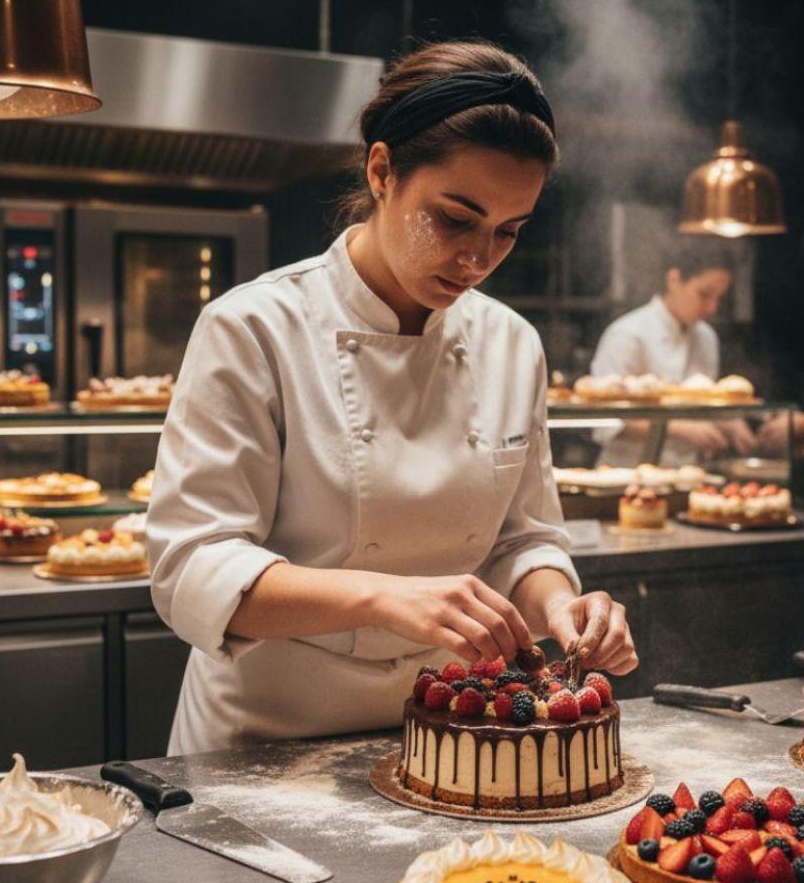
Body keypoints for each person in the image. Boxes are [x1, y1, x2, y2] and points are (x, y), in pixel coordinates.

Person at [148, 41, 636, 754]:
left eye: (507, 232)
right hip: (264, 738)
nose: (477, 259)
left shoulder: (511, 343)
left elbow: (523, 539)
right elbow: (191, 567)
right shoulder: (254, 327)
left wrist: (563, 605)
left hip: (446, 733)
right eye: (455, 218)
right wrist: (383, 596)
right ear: (382, 172)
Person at [588, 239, 756, 465]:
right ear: (674, 280)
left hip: (689, 473)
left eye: (719, 298)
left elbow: (703, 404)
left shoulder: (707, 338)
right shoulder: (627, 333)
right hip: (625, 472)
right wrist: (678, 429)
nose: (712, 308)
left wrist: (728, 421)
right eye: (704, 294)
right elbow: (608, 423)